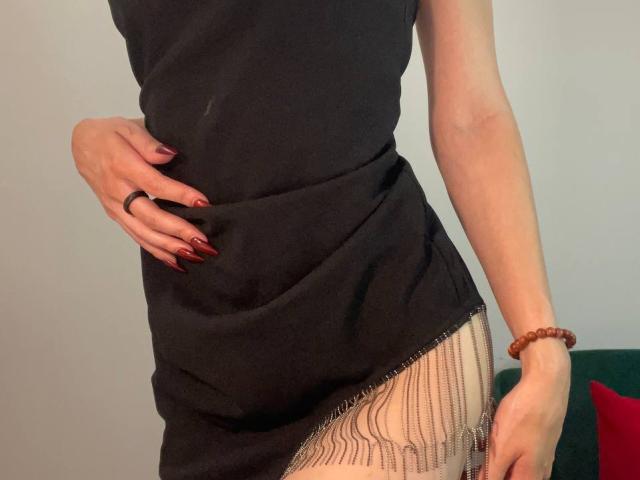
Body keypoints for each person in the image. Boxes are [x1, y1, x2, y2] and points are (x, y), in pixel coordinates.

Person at [71, 0, 571, 479]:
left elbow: (472, 117)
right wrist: (89, 138)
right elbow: (229, 83)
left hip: (384, 334)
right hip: (205, 357)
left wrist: (543, 347)